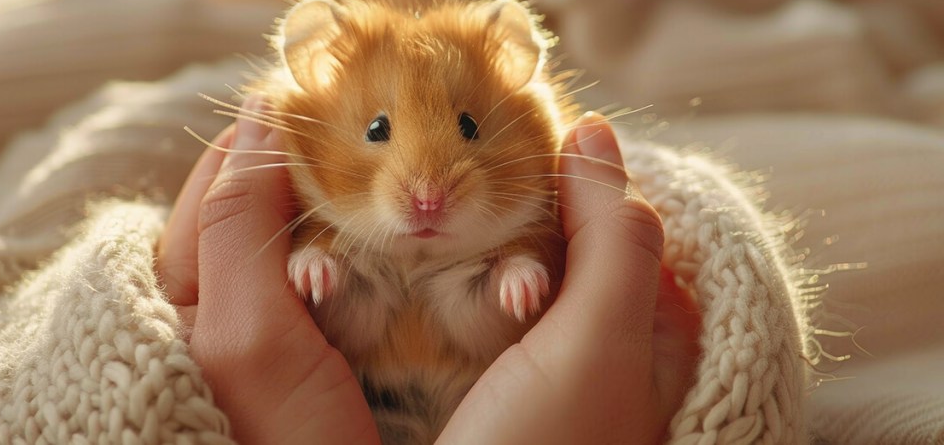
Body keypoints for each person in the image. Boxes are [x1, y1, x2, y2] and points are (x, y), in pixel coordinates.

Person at [156, 100, 701, 444]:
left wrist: (512, 268)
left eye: (468, 126)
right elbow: (342, 329)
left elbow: (492, 334)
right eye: (378, 129)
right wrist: (314, 257)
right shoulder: (311, 213)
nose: (427, 194)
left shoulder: (534, 217)